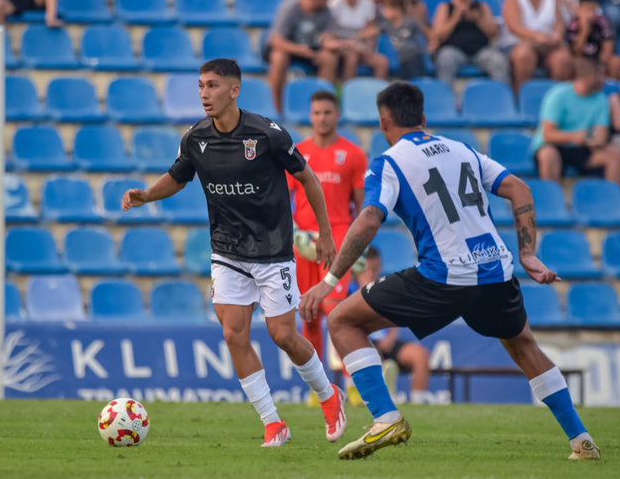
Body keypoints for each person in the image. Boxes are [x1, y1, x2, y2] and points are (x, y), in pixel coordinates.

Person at [300, 82, 600, 461]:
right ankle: (581, 440)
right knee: (524, 344)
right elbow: (521, 189)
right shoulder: (464, 151)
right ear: (423, 119)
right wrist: (527, 254)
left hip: (443, 276)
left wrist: (328, 282)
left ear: (383, 121)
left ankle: (385, 417)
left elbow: (369, 218)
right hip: (495, 271)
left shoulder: (389, 162)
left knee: (343, 319)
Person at [121, 59, 346, 448]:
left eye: (212, 86)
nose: (204, 94)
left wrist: (325, 233)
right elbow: (178, 176)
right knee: (232, 333)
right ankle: (273, 423)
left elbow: (306, 176)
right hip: (227, 250)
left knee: (283, 336)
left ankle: (329, 396)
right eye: (200, 86)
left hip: (273, 250)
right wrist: (146, 195)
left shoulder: (267, 134)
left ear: (234, 90)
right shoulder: (195, 138)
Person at [287, 90, 368, 405]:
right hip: (303, 244)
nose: (322, 118)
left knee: (335, 310)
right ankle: (318, 388)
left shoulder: (353, 155)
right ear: (311, 115)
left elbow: (362, 208)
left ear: (337, 115)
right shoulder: (297, 153)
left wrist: (357, 246)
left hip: (336, 242)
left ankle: (352, 383)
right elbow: (284, 199)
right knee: (308, 314)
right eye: (317, 112)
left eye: (327, 112)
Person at [354, 247, 431, 405]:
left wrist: (391, 336)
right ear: (359, 269)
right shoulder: (350, 291)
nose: (373, 273)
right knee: (373, 355)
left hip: (388, 342)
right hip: (364, 343)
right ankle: (383, 396)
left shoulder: (385, 287)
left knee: (421, 355)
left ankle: (418, 403)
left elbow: (395, 317)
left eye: (376, 269)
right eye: (369, 269)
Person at [531, 58, 620, 183]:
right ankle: (550, 199)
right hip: (555, 145)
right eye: (601, 74)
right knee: (548, 154)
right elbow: (548, 134)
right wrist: (573, 137)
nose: (604, 79)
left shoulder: (601, 99)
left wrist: (593, 140)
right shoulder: (558, 95)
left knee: (614, 154)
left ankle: (613, 199)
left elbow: (601, 136)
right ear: (589, 76)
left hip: (582, 147)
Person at [265, 0, 340, 110]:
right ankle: (276, 107)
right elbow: (275, 40)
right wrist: (299, 50)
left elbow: (327, 37)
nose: (329, 0)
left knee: (329, 58)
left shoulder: (327, 12)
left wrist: (327, 44)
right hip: (289, 49)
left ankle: (323, 106)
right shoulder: (290, 8)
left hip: (310, 51)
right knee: (279, 57)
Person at [502, 0, 573, 92]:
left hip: (548, 44)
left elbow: (559, 23)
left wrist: (556, 35)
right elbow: (514, 26)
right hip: (522, 42)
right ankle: (521, 96)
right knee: (524, 55)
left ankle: (557, 99)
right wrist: (536, 36)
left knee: (562, 59)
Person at [432, 0, 509, 86]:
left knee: (499, 61)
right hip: (453, 50)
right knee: (445, 59)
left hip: (480, 51)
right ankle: (445, 98)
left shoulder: (481, 6)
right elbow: (439, 35)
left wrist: (478, 19)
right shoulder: (444, 7)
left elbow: (494, 33)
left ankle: (502, 97)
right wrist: (455, 18)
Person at [326, 0, 390, 81]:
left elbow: (370, 31)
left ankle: (378, 96)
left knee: (382, 62)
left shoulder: (368, 3)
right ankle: (347, 93)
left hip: (359, 46)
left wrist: (366, 49)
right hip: (340, 47)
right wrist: (348, 43)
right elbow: (331, 33)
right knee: (352, 56)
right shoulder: (334, 3)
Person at [565, 0, 620, 77]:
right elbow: (576, 52)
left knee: (615, 61)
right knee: (576, 62)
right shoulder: (573, 26)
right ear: (579, 10)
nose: (591, 14)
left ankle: (608, 85)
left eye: (593, 10)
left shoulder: (602, 23)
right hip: (582, 59)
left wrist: (601, 64)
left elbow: (607, 48)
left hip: (598, 60)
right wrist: (584, 31)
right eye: (587, 10)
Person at [378, 0, 430, 79]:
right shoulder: (387, 25)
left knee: (417, 81)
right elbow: (372, 30)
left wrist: (432, 44)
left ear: (396, 9)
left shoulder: (411, 22)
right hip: (400, 59)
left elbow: (427, 32)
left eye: (386, 9)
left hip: (413, 57)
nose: (384, 12)